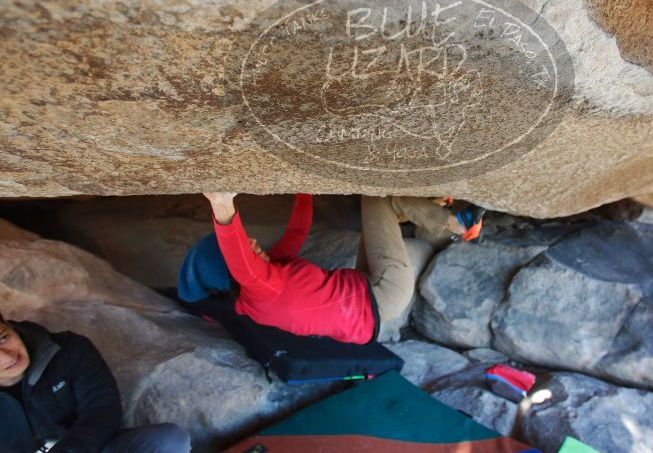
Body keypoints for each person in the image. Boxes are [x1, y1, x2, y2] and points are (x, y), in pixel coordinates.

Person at [178, 194, 484, 344]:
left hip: (365, 295)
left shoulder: (269, 274)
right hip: (382, 294)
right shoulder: (261, 289)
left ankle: (427, 206)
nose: (253, 242)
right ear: (232, 270)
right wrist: (222, 205)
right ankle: (455, 224)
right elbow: (238, 258)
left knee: (378, 217)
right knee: (380, 200)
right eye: (246, 244)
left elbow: (297, 233)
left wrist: (304, 191)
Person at [0, 312, 191, 453]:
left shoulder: (67, 350)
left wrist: (72, 450)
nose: (7, 356)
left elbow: (102, 408)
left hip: (89, 448)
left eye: (3, 338)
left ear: (9, 325)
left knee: (168, 440)